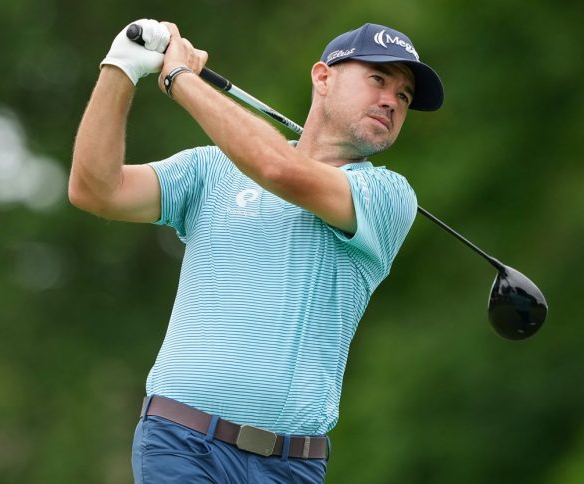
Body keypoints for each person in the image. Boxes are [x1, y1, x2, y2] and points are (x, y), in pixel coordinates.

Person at [69, 18, 444, 483]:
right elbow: (95, 189)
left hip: (291, 465)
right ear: (323, 78)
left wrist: (178, 78)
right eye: (378, 80)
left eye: (404, 96)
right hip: (182, 443)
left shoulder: (387, 196)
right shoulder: (212, 169)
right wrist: (121, 67)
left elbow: (278, 169)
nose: (391, 100)